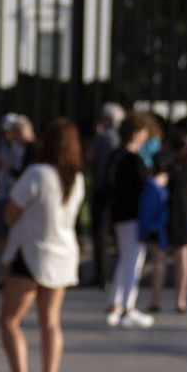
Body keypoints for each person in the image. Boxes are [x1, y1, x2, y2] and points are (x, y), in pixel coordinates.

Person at [0, 118, 84, 372]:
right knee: (51, 321)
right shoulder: (77, 178)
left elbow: (10, 213)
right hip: (63, 252)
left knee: (10, 319)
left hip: (31, 252)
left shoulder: (37, 173)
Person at [104, 111, 161, 328]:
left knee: (125, 258)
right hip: (133, 215)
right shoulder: (134, 159)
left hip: (119, 214)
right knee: (133, 261)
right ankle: (128, 307)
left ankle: (115, 305)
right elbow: (142, 188)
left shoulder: (116, 156)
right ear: (137, 133)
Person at [146, 132, 187, 313]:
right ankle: (181, 300)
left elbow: (156, 181)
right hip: (182, 212)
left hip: (163, 211)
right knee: (183, 258)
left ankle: (155, 300)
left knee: (159, 258)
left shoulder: (160, 160)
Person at [86, 102, 125, 289]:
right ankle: (118, 274)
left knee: (100, 235)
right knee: (118, 236)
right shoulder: (121, 137)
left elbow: (90, 158)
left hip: (102, 189)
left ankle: (101, 276)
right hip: (118, 191)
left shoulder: (102, 138)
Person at [0, 113, 37, 236]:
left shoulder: (27, 148)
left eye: (15, 131)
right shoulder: (0, 146)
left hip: (17, 192)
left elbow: (24, 171)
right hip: (2, 191)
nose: (11, 134)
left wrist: (9, 167)